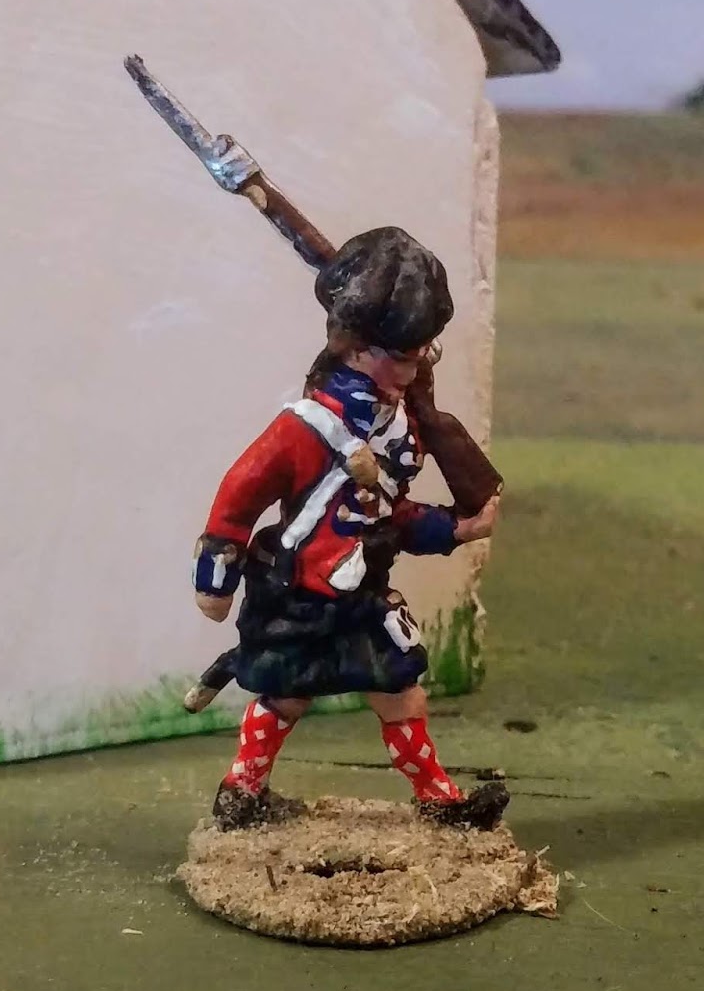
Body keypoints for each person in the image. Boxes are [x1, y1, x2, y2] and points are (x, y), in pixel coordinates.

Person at [190, 226, 508, 831]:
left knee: (402, 691)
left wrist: (455, 529)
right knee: (287, 697)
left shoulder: (398, 422)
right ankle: (241, 791)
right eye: (403, 355)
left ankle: (438, 800)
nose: (414, 368)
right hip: (303, 593)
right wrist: (216, 578)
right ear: (355, 347)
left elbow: (390, 516)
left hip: (363, 592)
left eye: (419, 353)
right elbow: (238, 495)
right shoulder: (307, 425)